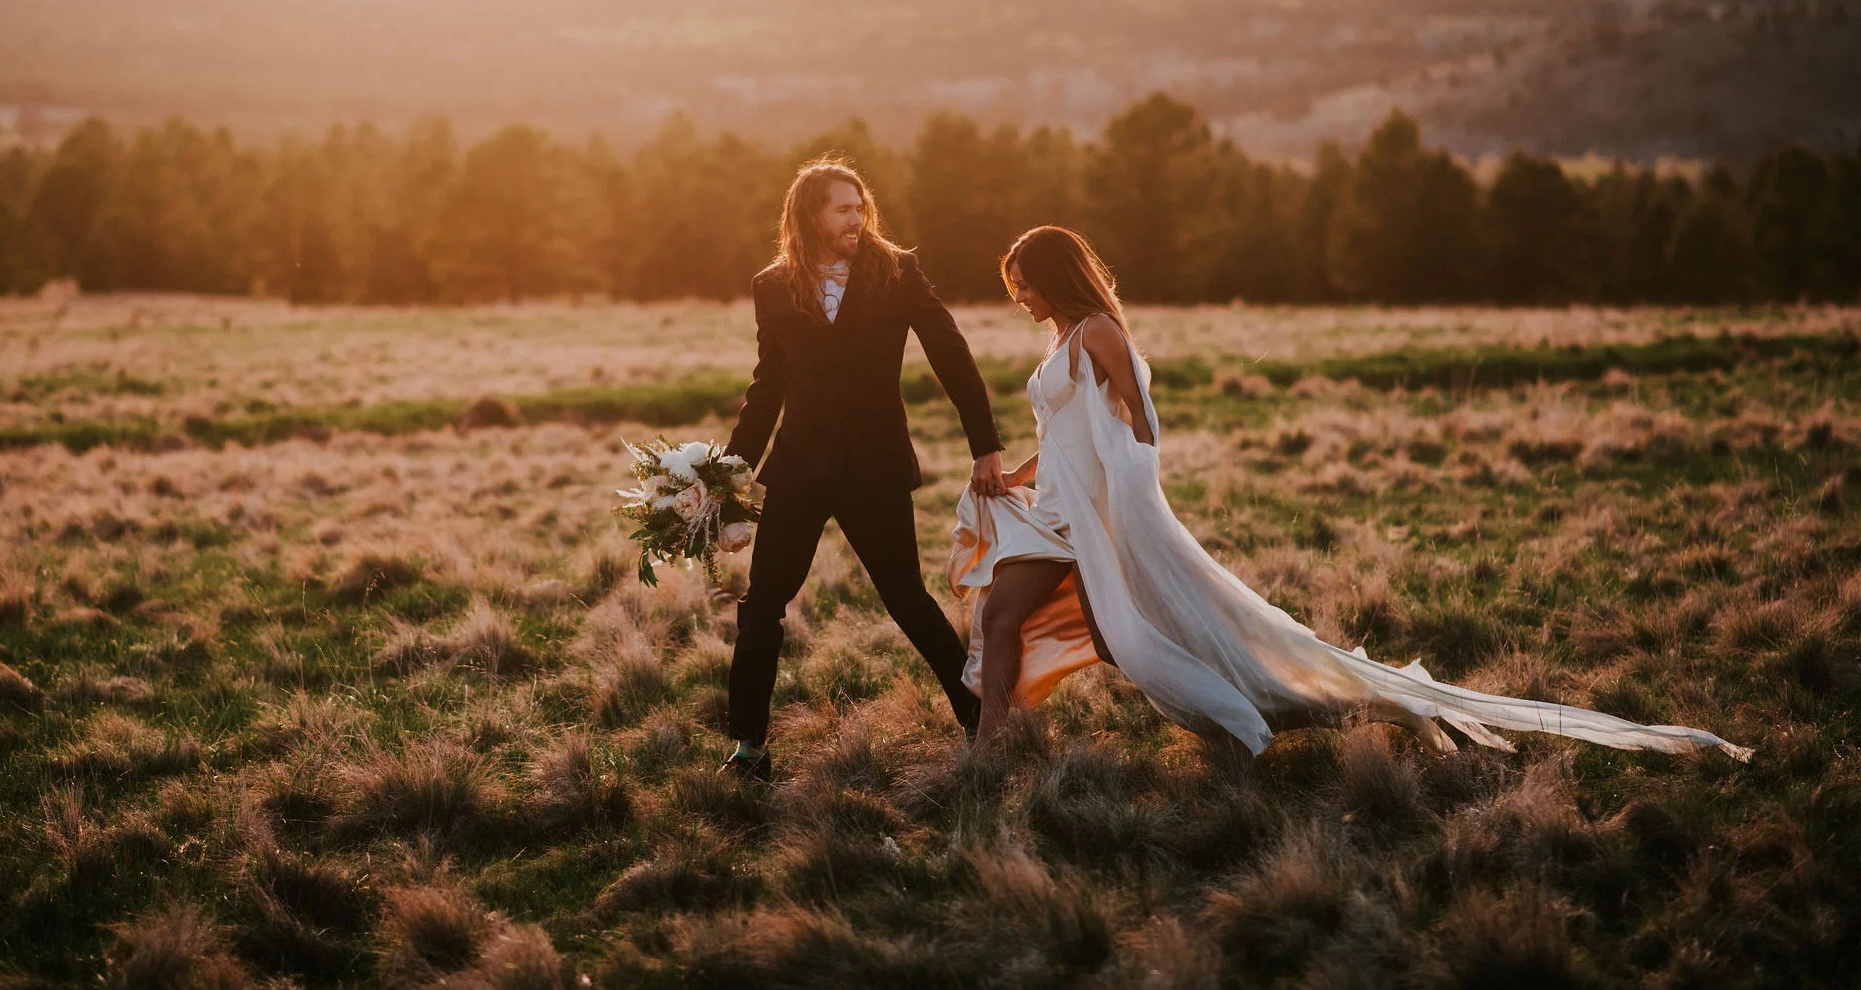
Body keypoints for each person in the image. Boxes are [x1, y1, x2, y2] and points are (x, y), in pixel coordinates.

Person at [948, 224, 1752, 763]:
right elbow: (1062, 438)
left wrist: (1127, 498)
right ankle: (1001, 741)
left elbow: (1143, 425)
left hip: (1091, 518)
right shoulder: (1061, 340)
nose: (1019, 296)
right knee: (1032, 618)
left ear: (1053, 276)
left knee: (1114, 633)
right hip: (1056, 513)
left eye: (1024, 282)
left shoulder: (1097, 334)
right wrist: (1009, 475)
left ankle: (1244, 716)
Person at [718, 158, 1007, 781]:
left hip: (874, 466)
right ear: (810, 216)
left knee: (905, 598)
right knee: (763, 603)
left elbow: (950, 355)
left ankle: (977, 722)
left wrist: (984, 444)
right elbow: (767, 386)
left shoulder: (896, 271)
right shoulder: (771, 285)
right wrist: (730, 475)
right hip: (797, 468)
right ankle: (749, 748)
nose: (857, 218)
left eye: (860, 206)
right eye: (843, 209)